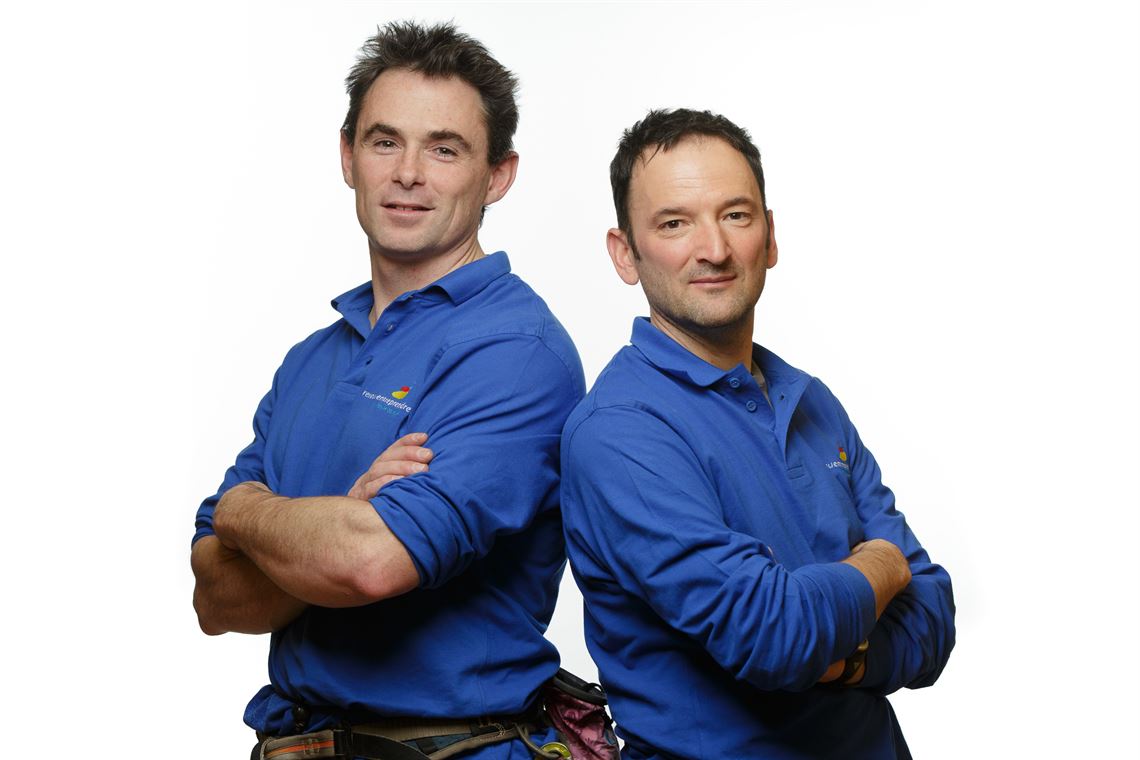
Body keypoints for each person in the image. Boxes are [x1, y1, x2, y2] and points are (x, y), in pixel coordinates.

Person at [191, 21, 586, 759]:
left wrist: (246, 513)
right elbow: (214, 598)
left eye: (444, 149)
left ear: (498, 175)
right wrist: (338, 523)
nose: (408, 172)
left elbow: (369, 564)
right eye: (384, 142)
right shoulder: (310, 360)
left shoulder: (516, 353)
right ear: (349, 157)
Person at [560, 108, 955, 759]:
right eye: (674, 223)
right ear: (625, 253)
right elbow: (773, 636)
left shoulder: (812, 401)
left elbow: (933, 615)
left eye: (736, 215)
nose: (714, 249)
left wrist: (843, 661)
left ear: (769, 236)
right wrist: (882, 564)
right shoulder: (620, 432)